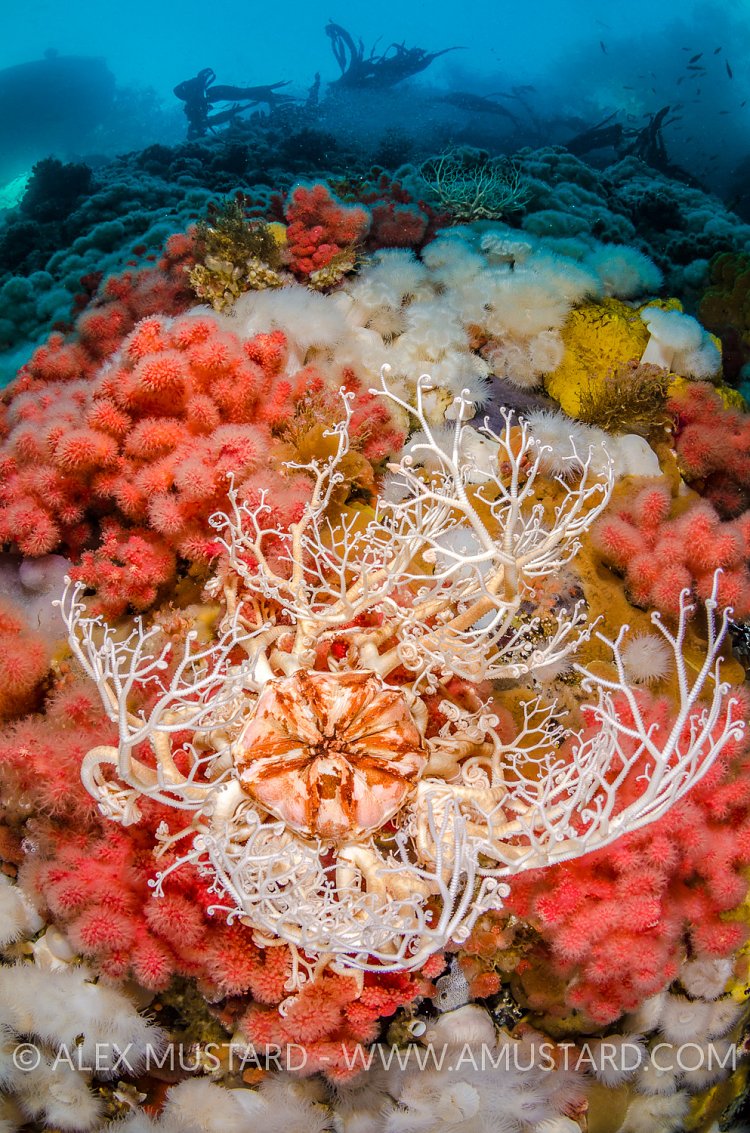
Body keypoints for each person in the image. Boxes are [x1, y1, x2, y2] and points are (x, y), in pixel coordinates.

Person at [174, 68, 291, 139]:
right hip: (217, 93)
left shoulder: (195, 105)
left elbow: (211, 120)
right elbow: (213, 120)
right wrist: (234, 111)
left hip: (217, 93)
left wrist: (233, 111)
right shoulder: (195, 103)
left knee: (243, 94)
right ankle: (268, 93)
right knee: (243, 94)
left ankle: (268, 93)